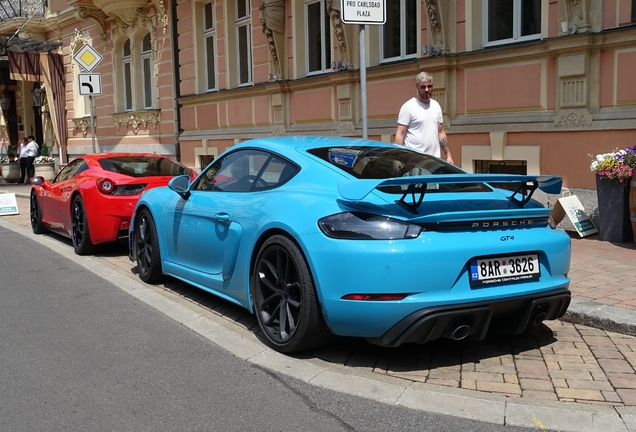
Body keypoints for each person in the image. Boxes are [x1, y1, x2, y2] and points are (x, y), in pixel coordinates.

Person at [394, 71, 454, 165]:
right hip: (414, 161)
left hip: (434, 161)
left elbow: (440, 132)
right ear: (417, 86)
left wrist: (448, 155)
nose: (426, 89)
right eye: (423, 87)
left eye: (429, 86)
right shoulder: (408, 107)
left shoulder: (436, 106)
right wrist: (396, 160)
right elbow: (400, 134)